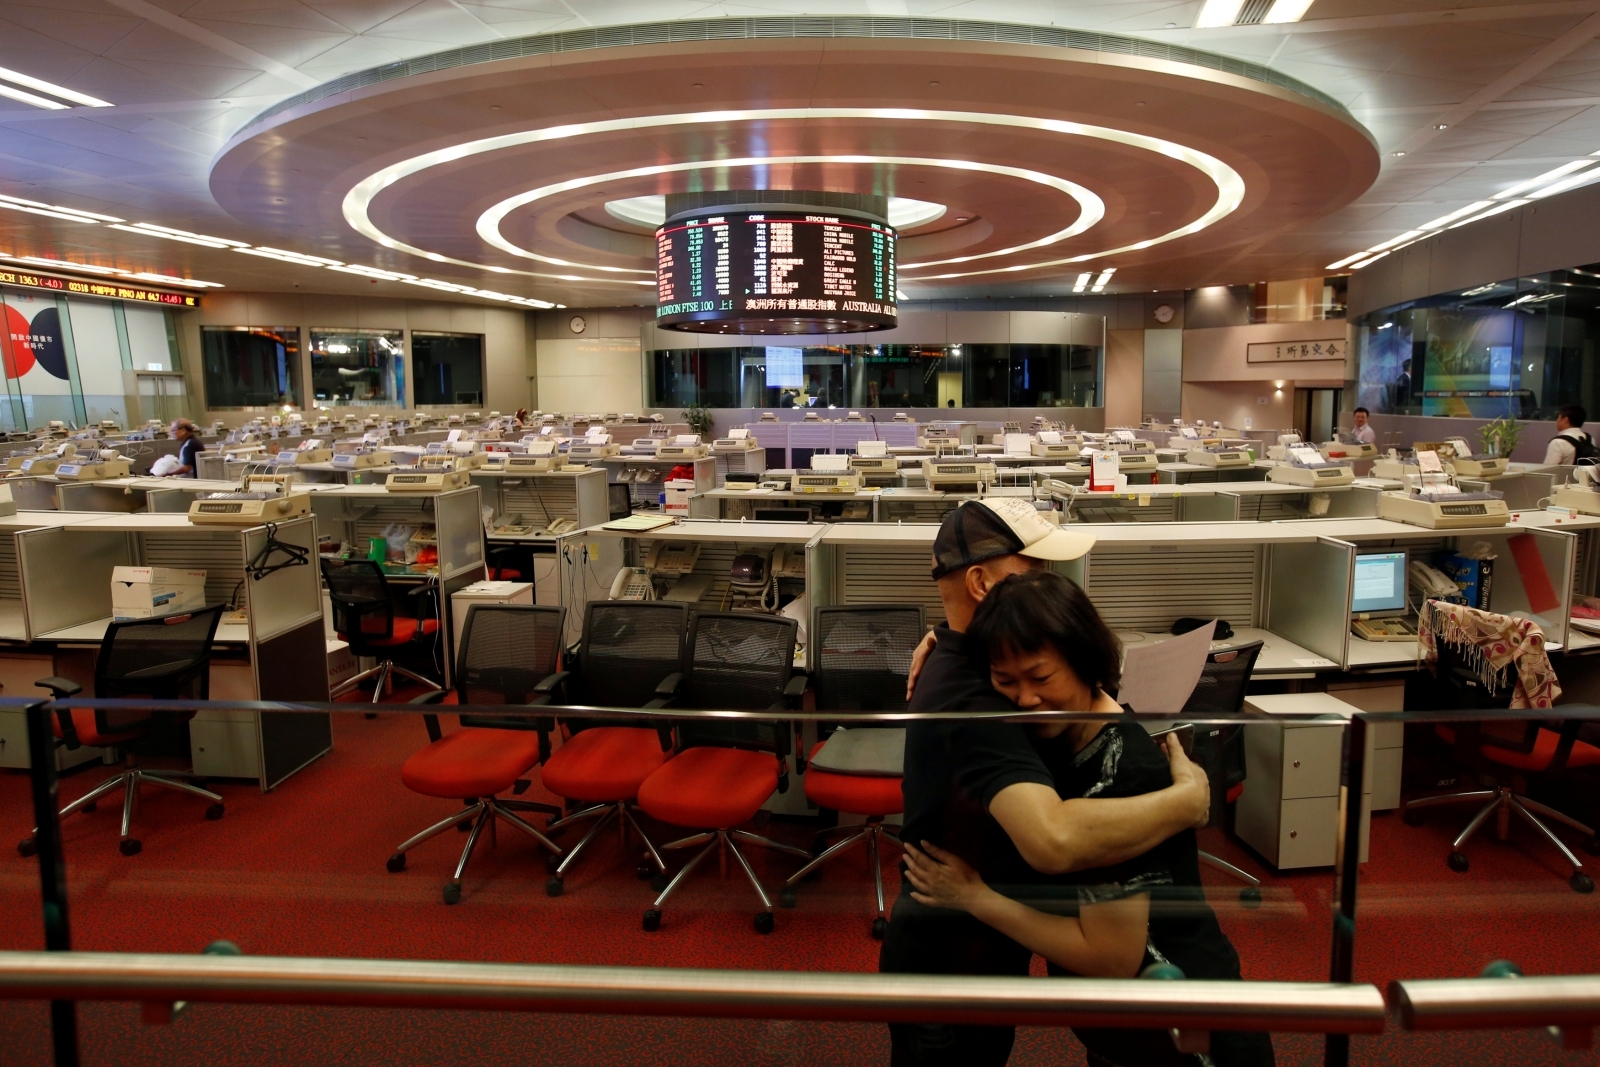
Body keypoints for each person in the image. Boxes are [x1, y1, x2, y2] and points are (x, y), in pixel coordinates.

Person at [881, 499, 1212, 1067]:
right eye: (1032, 574)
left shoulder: (978, 665)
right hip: (951, 958)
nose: (1045, 588)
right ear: (983, 584)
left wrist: (940, 636)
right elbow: (1052, 838)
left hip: (970, 947)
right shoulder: (983, 702)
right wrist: (1187, 801)